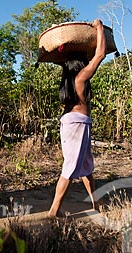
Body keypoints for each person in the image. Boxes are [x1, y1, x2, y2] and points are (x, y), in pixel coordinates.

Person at [48, 19, 106, 218]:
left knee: (86, 167)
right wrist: (99, 28)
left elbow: (57, 57)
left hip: (71, 123)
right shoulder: (81, 78)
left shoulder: (67, 80)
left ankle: (96, 204)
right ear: (81, 63)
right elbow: (100, 54)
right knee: (71, 167)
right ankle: (54, 211)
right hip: (77, 125)